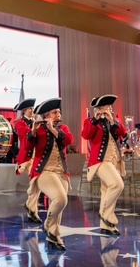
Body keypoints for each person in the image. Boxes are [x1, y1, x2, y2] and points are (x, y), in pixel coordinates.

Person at [27, 97, 75, 250]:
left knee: (58, 204)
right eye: (55, 112)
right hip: (44, 172)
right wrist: (33, 131)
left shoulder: (63, 128)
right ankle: (48, 226)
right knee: (60, 199)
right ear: (46, 115)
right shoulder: (38, 129)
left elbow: (68, 140)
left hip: (62, 172)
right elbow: (27, 147)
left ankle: (54, 235)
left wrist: (54, 129)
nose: (58, 114)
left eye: (59, 112)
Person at [81, 94, 125, 236]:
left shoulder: (114, 121)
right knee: (117, 185)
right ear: (99, 108)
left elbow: (122, 132)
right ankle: (105, 213)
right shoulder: (90, 121)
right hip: (100, 161)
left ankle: (106, 226)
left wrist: (112, 121)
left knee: (106, 190)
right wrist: (96, 119)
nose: (110, 109)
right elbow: (86, 134)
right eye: (107, 107)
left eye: (110, 107)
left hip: (114, 160)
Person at [12, 98, 40, 222]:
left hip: (37, 155)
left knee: (36, 181)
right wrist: (35, 129)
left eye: (33, 109)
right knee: (35, 181)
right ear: (24, 110)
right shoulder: (19, 122)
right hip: (27, 156)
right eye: (30, 109)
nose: (32, 111)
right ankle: (31, 208)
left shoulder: (36, 122)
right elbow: (25, 135)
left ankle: (31, 208)